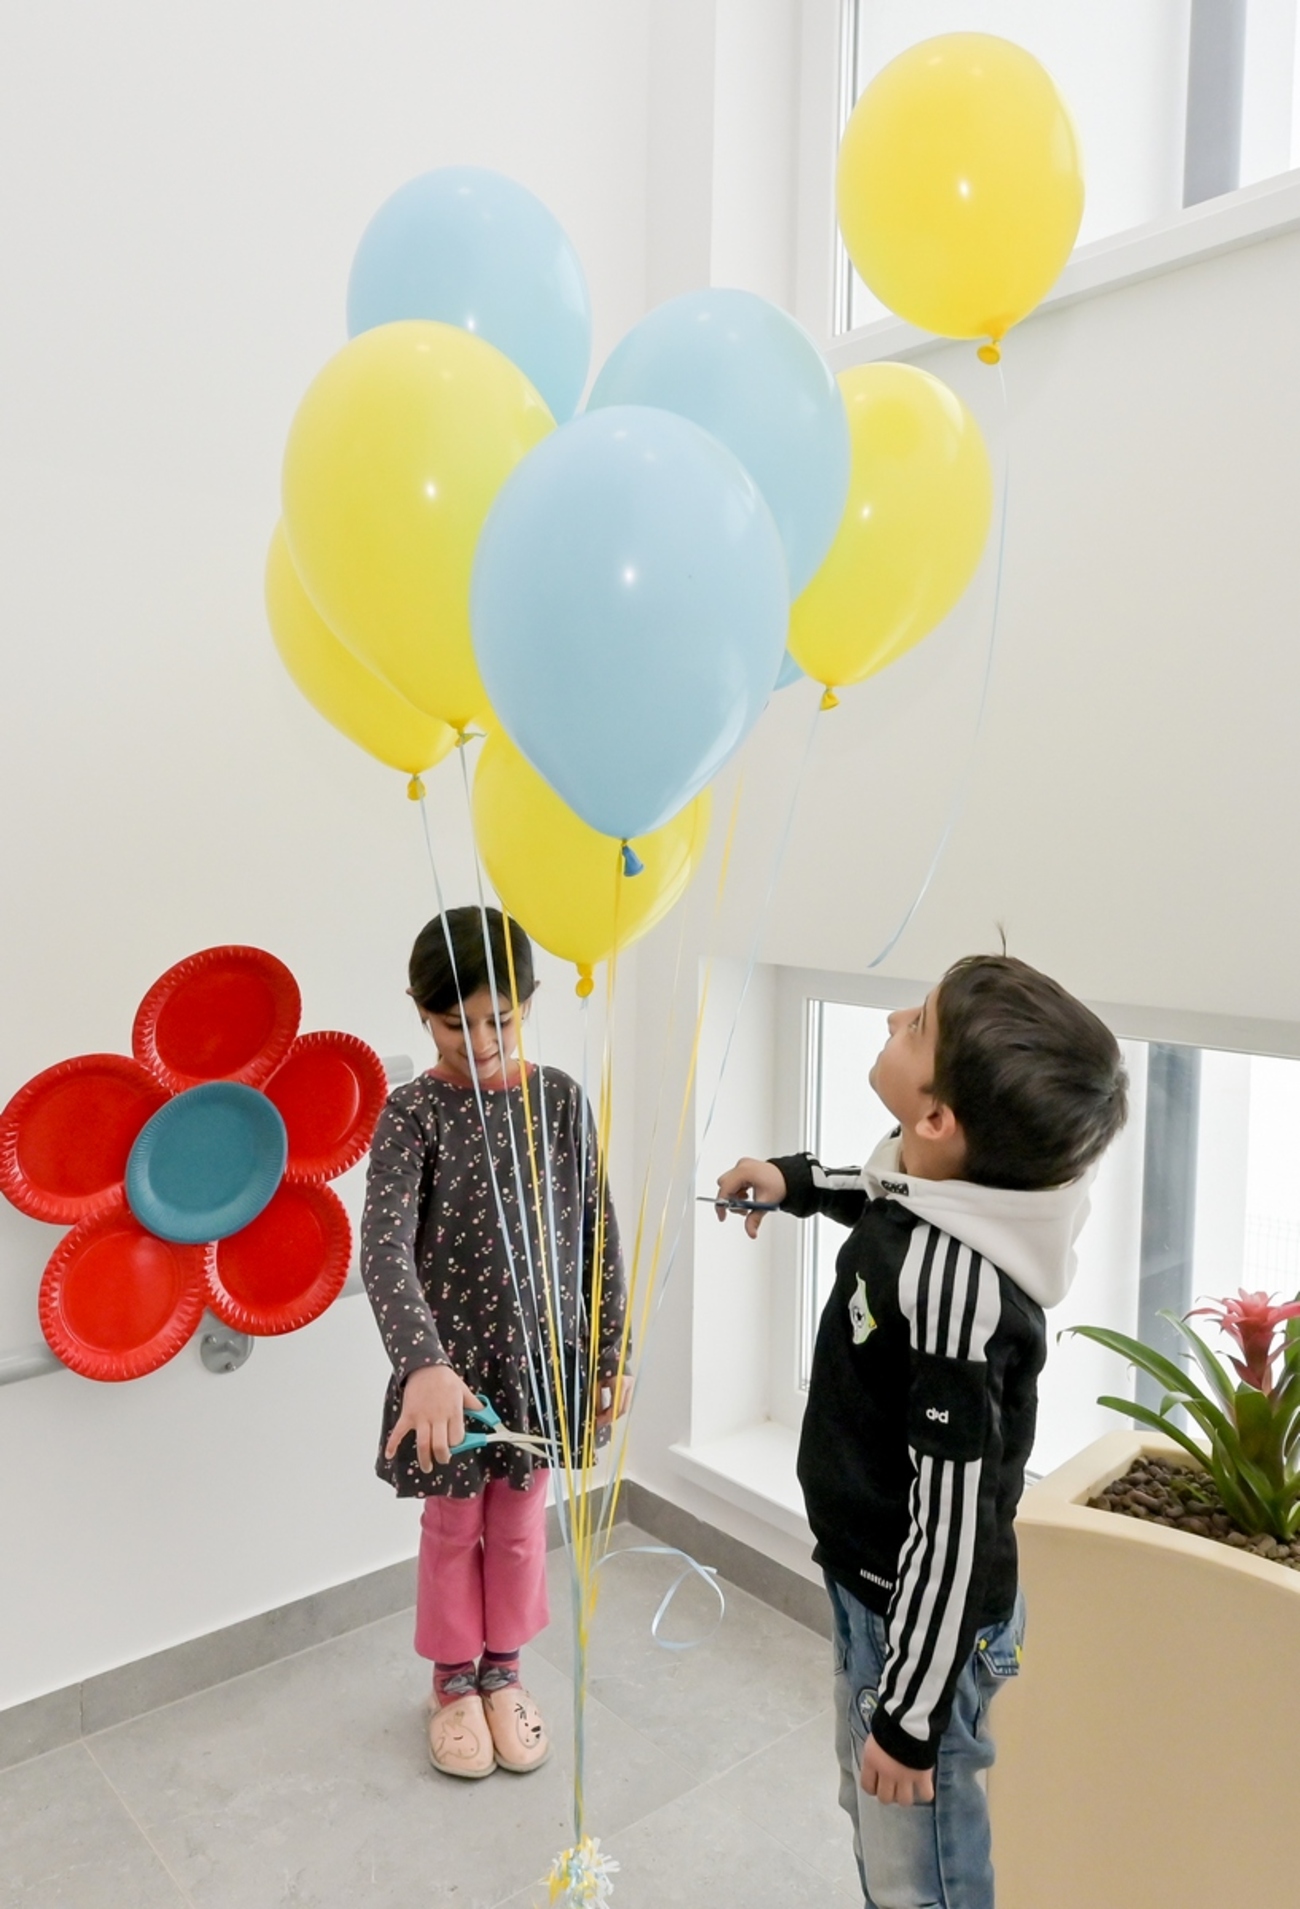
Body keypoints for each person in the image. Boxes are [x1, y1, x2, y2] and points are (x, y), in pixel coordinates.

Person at [716, 955, 1128, 1909]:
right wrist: (792, 1181)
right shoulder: (951, 1179)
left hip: (917, 1621)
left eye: (917, 1027)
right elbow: (882, 1189)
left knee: (921, 1873)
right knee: (873, 1822)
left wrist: (909, 1716)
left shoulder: (957, 1295)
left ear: (939, 1117)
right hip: (873, 1590)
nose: (895, 1016)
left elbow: (953, 1527)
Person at [361, 906, 628, 1781]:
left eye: (499, 1020)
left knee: (518, 1525)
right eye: (453, 1024)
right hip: (452, 1380)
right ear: (419, 1010)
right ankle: (453, 1682)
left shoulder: (561, 1101)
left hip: (542, 1370)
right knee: (453, 1528)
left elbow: (596, 1233)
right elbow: (383, 1248)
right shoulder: (412, 1113)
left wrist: (611, 1353)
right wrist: (424, 1365)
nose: (477, 1042)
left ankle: (503, 1671)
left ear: (530, 1002)